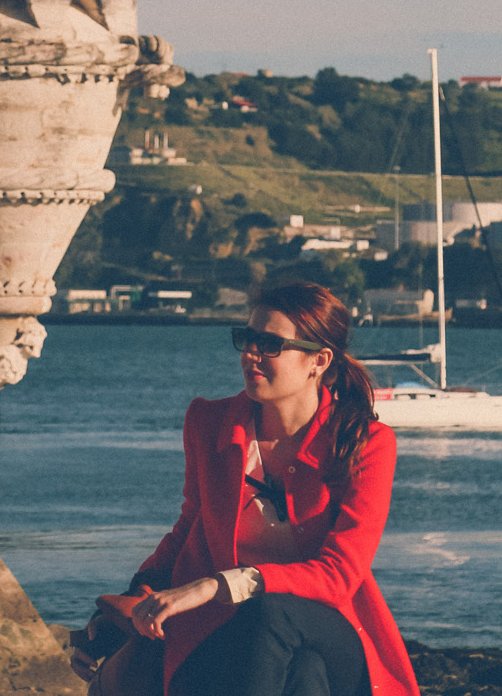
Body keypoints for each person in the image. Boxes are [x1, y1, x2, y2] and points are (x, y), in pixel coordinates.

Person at [72, 281, 419, 696]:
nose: (251, 355)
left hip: (331, 631)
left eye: (270, 344)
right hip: (227, 634)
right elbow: (189, 529)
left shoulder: (366, 443)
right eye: (248, 339)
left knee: (271, 614)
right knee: (304, 676)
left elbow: (339, 575)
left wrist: (216, 585)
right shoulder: (209, 423)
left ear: (319, 360)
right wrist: (132, 602)